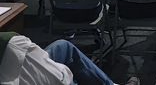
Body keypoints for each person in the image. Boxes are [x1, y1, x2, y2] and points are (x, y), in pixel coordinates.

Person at [0, 33, 139, 84]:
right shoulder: (12, 43)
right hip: (90, 9)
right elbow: (58, 78)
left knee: (62, 46)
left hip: (60, 11)